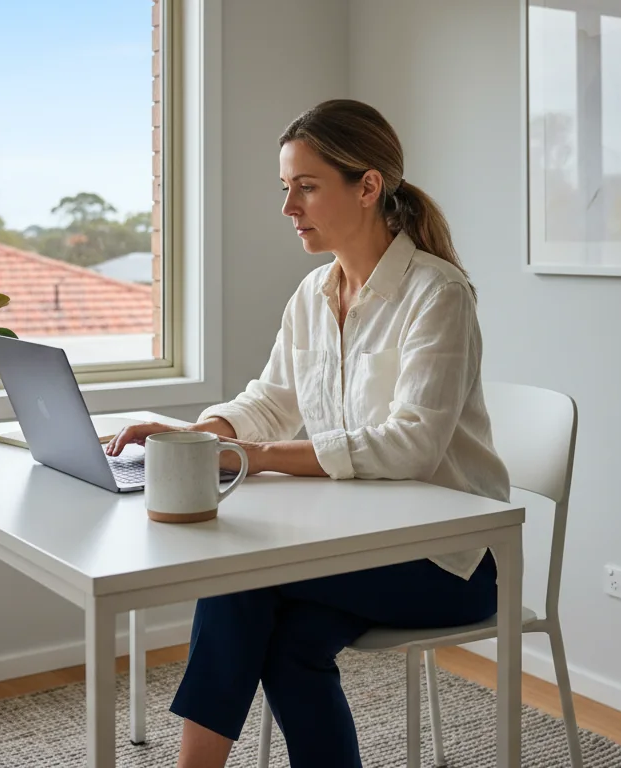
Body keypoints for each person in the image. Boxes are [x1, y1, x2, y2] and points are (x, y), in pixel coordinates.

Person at [105, 99, 510, 768]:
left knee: (241, 578)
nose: (289, 207)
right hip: (356, 545)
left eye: (307, 187)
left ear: (369, 186)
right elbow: (270, 399)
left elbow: (409, 443)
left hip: (451, 559)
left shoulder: (438, 295)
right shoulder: (313, 296)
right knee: (286, 641)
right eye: (285, 188)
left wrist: (254, 456)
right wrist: (199, 437)